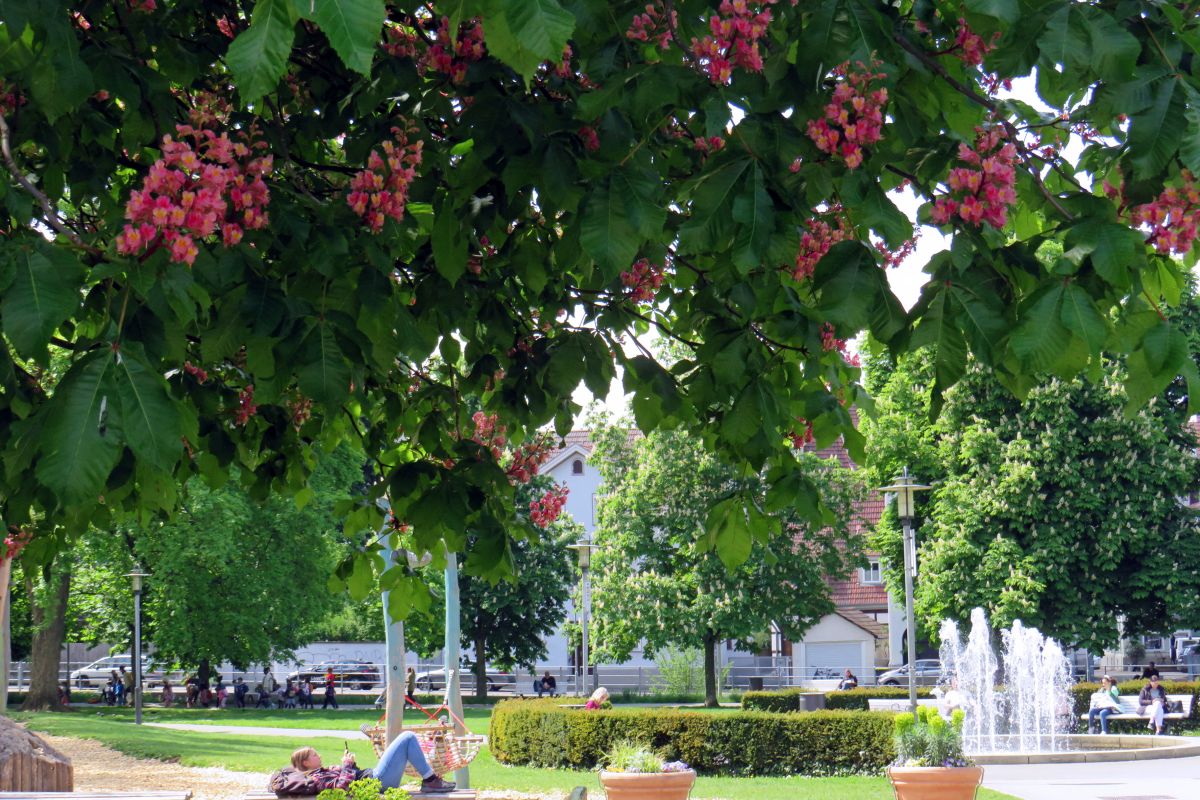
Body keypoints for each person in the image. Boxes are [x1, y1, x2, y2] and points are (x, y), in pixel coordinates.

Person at [268, 736, 455, 795]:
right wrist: (347, 766)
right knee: (406, 738)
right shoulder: (315, 777)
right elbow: (341, 788)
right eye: (315, 754)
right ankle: (430, 780)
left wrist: (349, 765)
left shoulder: (319, 772)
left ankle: (430, 779)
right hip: (377, 781)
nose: (320, 755)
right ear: (306, 762)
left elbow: (346, 778)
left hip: (374, 778)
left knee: (406, 741)